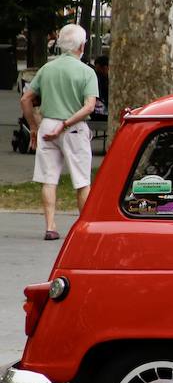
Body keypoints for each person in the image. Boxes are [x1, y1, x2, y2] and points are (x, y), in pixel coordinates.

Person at [19, 24, 100, 241]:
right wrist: (65, 124)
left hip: (47, 126)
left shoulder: (47, 69)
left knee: (49, 179)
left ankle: (50, 226)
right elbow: (89, 106)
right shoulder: (87, 72)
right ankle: (83, 226)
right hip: (73, 129)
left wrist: (34, 127)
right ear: (82, 46)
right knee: (82, 180)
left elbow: (26, 98)